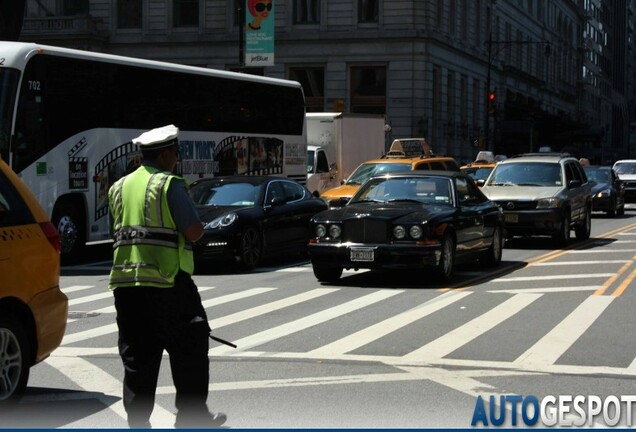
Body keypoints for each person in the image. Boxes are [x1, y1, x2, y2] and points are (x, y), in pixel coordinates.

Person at [108, 125, 226, 429]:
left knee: (137, 359)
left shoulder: (118, 187)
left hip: (126, 287)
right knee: (190, 349)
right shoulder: (167, 185)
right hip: (168, 284)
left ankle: (137, 423)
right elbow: (194, 231)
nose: (177, 158)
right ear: (164, 154)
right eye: (176, 152)